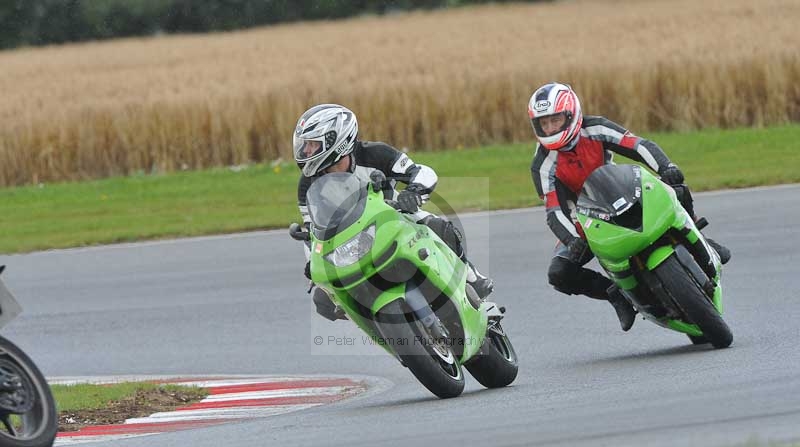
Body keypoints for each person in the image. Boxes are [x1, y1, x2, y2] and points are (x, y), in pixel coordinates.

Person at [528, 82, 731, 331]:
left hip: (621, 190)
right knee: (559, 273)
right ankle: (616, 295)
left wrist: (666, 166)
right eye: (544, 123)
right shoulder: (542, 164)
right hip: (583, 220)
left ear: (571, 114)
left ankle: (700, 238)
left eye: (555, 120)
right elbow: (554, 211)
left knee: (675, 187)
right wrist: (572, 240)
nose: (550, 128)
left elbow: (638, 145)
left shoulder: (595, 127)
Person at [293, 103, 493, 321]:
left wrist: (414, 192)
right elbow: (312, 233)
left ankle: (471, 277)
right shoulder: (307, 185)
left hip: (395, 218)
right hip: (348, 244)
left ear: (337, 140)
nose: (306, 151)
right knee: (322, 300)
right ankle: (375, 324)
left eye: (313, 144)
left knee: (437, 226)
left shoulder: (375, 153)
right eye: (305, 145)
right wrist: (313, 264)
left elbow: (421, 172)